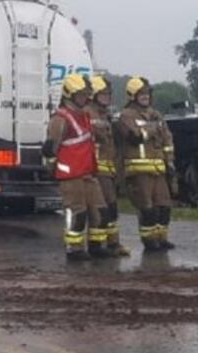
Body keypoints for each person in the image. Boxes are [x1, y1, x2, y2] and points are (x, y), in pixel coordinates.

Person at [42, 73, 110, 260]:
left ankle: (96, 246)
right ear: (69, 95)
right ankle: (74, 248)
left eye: (86, 95)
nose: (84, 98)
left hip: (87, 172)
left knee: (100, 211)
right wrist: (52, 169)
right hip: (71, 175)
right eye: (81, 95)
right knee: (77, 213)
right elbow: (51, 149)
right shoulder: (61, 118)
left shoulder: (84, 115)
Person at [116, 76, 176, 251]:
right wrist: (151, 129)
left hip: (159, 169)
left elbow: (167, 138)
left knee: (164, 206)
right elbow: (134, 137)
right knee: (147, 209)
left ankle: (162, 238)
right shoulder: (126, 115)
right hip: (139, 171)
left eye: (147, 93)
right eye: (141, 94)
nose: (145, 96)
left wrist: (170, 162)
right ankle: (149, 241)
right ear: (132, 96)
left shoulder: (156, 114)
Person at [86, 75, 130, 257]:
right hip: (97, 170)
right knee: (101, 208)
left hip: (109, 169)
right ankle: (98, 245)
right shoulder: (88, 113)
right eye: (103, 94)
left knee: (111, 207)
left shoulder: (106, 115)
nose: (106, 97)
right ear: (94, 95)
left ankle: (113, 243)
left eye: (108, 94)